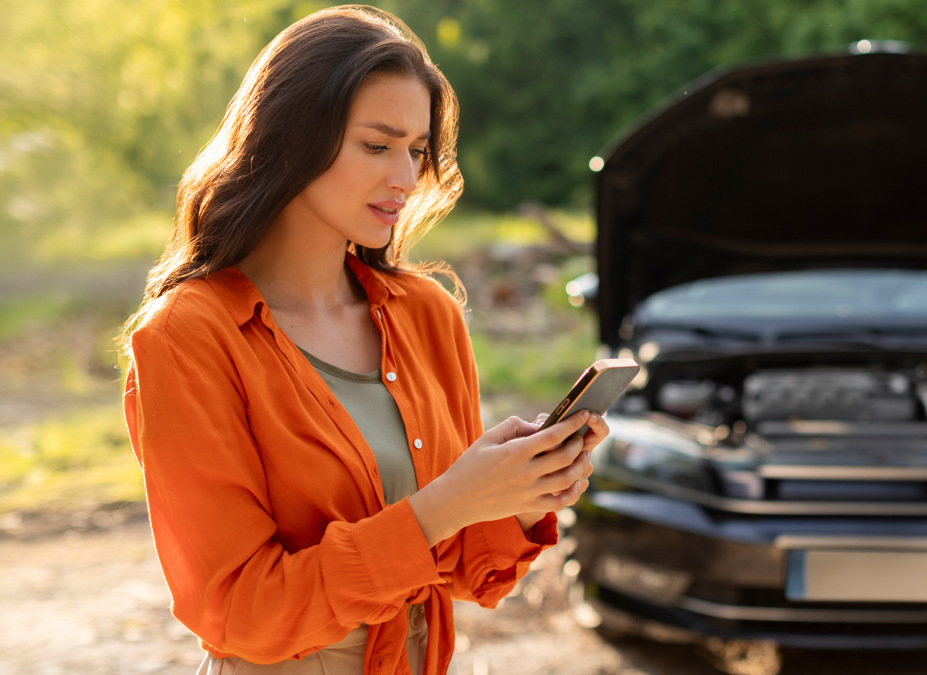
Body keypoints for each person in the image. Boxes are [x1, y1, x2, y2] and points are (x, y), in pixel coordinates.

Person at [119, 6, 605, 675]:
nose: (405, 180)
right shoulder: (187, 336)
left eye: (416, 151)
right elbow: (240, 611)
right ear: (292, 138)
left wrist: (518, 497)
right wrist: (446, 504)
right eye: (377, 147)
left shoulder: (426, 313)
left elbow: (463, 572)